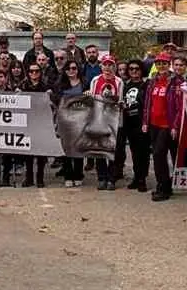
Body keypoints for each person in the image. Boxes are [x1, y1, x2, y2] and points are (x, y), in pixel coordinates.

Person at [142, 54, 186, 199]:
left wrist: (175, 125)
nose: (162, 66)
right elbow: (148, 103)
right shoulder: (152, 81)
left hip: (167, 125)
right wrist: (145, 122)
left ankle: (165, 188)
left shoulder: (177, 82)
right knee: (157, 156)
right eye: (159, 63)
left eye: (164, 63)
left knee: (159, 154)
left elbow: (180, 106)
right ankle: (163, 184)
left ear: (169, 64)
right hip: (153, 123)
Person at [53, 60, 91, 187]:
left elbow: (91, 101)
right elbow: (56, 100)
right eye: (68, 68)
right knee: (66, 148)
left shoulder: (85, 83)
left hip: (81, 120)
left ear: (78, 69)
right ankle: (68, 175)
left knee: (79, 148)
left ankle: (78, 174)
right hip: (65, 120)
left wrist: (89, 94)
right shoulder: (60, 84)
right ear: (65, 71)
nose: (71, 71)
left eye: (74, 68)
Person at [88, 55, 123, 190]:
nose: (107, 67)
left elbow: (120, 100)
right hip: (99, 119)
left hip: (113, 120)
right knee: (99, 150)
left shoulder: (119, 81)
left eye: (110, 65)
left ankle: (112, 178)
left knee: (113, 150)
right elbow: (92, 99)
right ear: (101, 66)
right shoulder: (95, 80)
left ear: (114, 67)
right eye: (105, 64)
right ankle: (101, 177)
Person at [115, 60, 148, 190]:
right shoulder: (125, 85)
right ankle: (136, 177)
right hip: (128, 122)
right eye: (131, 69)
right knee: (134, 152)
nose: (134, 71)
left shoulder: (146, 85)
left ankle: (142, 179)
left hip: (141, 122)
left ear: (141, 70)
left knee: (143, 152)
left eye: (137, 69)